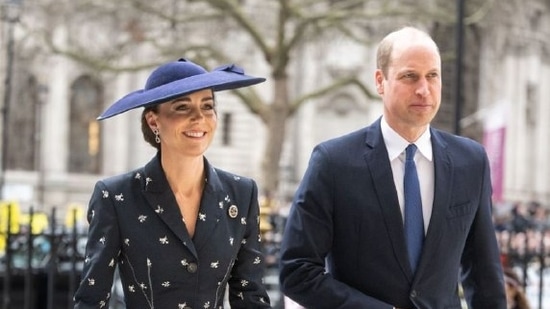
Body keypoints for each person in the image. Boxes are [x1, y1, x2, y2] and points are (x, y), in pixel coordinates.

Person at [278, 26, 507, 308]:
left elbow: (484, 275)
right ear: (380, 81)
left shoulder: (471, 162)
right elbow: (297, 271)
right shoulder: (333, 163)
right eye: (409, 76)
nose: (424, 89)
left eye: (432, 76)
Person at [74, 58, 272, 308]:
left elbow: (251, 296)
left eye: (208, 106)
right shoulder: (115, 197)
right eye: (182, 108)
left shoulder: (241, 194)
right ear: (153, 120)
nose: (199, 118)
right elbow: (92, 300)